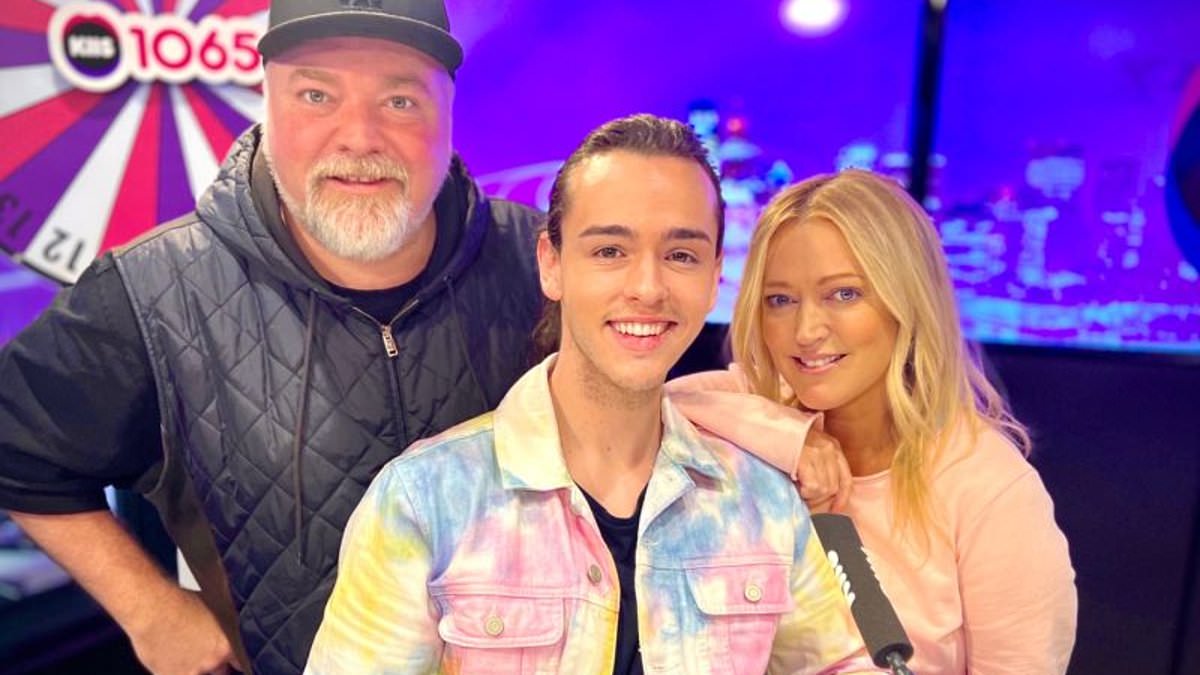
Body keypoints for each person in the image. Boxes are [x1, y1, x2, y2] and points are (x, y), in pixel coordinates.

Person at [0, 3, 543, 673]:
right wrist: (149, 609)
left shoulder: (541, 260)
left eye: (400, 100)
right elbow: (16, 446)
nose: (359, 137)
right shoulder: (152, 290)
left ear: (448, 113)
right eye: (316, 95)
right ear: (267, 103)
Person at [305, 114, 879, 674]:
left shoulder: (761, 498)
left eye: (681, 255)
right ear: (551, 265)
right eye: (610, 251)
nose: (648, 288)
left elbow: (843, 662)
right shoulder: (424, 500)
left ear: (713, 279)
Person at [669, 169, 1078, 673]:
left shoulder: (989, 487)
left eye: (844, 294)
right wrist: (795, 440)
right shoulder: (759, 420)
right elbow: (658, 404)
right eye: (781, 300)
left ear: (907, 298)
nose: (806, 330)